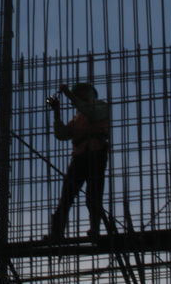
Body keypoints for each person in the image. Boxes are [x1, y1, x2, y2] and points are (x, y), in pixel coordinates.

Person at [45, 82, 111, 241]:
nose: (79, 94)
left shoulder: (101, 107)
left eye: (82, 91)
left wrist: (69, 94)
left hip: (96, 153)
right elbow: (62, 134)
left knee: (93, 196)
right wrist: (57, 112)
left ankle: (95, 229)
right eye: (77, 92)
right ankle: (56, 232)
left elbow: (93, 114)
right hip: (80, 156)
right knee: (66, 195)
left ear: (91, 93)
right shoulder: (77, 118)